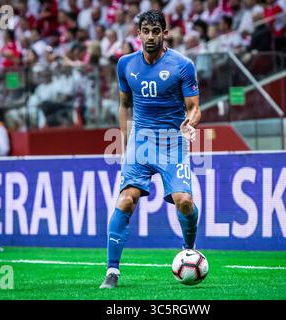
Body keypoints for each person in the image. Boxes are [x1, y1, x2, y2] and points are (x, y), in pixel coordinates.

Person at [100, 10, 201, 289]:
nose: (151, 36)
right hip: (141, 144)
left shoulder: (183, 65)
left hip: (173, 143)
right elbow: (124, 105)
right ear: (138, 34)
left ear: (165, 33)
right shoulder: (125, 65)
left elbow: (194, 108)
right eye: (146, 30)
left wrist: (189, 123)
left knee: (184, 201)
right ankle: (112, 271)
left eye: (156, 31)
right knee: (125, 200)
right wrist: (124, 142)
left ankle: (188, 248)